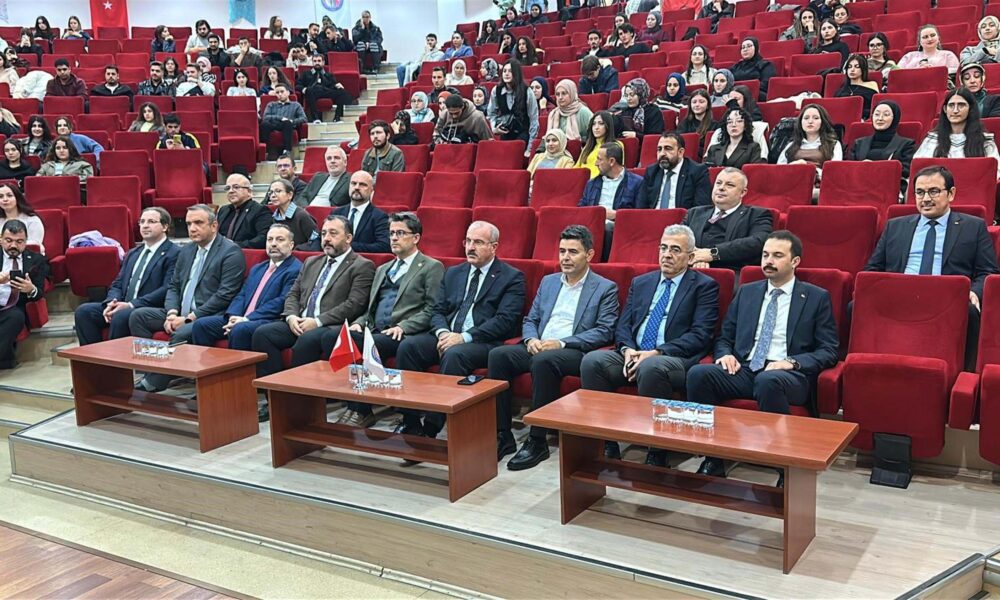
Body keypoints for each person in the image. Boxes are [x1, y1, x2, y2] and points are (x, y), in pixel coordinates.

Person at [687, 230, 839, 482]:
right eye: (765, 255)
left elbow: (829, 350)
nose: (768, 260)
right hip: (746, 368)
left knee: (768, 381)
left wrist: (791, 362)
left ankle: (785, 467)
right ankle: (713, 457)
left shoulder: (815, 297)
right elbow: (724, 337)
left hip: (790, 375)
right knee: (699, 374)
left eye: (777, 255)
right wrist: (725, 355)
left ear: (795, 261)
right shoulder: (747, 292)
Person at [580, 224, 719, 464]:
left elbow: (701, 335)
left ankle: (657, 449)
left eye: (675, 250)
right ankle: (605, 441)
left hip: (673, 357)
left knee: (651, 366)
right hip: (635, 353)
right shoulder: (642, 282)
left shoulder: (704, 286)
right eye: (663, 248)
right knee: (593, 361)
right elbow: (624, 325)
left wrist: (656, 352)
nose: (667, 254)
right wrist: (627, 350)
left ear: (691, 257)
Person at [491, 225, 620, 468]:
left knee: (544, 361)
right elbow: (531, 319)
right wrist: (531, 339)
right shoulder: (549, 282)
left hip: (574, 350)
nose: (565, 258)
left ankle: (537, 440)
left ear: (589, 255)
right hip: (540, 345)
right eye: (562, 251)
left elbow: (604, 330)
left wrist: (561, 343)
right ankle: (502, 434)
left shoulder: (605, 287)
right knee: (499, 355)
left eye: (573, 252)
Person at [395, 221, 526, 440]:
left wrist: (464, 337)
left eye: (478, 242)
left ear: (494, 247)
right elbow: (437, 310)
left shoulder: (512, 277)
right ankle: (410, 421)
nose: (471, 247)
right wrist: (443, 333)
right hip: (448, 335)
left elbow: (505, 321)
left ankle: (432, 426)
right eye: (468, 241)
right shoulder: (454, 273)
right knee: (409, 347)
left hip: (483, 341)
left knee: (455, 354)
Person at [313, 212, 445, 428]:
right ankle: (351, 401)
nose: (394, 238)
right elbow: (370, 308)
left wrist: (404, 326)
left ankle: (361, 410)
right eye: (391, 233)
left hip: (405, 333)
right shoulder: (383, 268)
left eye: (400, 233)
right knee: (335, 337)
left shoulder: (431, 266)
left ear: (416, 238)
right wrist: (360, 322)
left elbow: (433, 308)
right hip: (377, 329)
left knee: (366, 343)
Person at [865, 165, 999, 369]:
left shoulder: (973, 227)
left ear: (951, 193)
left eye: (934, 191)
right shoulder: (895, 226)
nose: (925, 198)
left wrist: (974, 292)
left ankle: (965, 373)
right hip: (900, 294)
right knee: (856, 306)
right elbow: (873, 269)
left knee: (970, 312)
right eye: (920, 192)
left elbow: (988, 272)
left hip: (948, 298)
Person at [131, 205, 246, 392]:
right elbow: (174, 286)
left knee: (182, 333)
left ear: (214, 226)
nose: (192, 228)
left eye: (198, 223)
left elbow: (225, 295)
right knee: (139, 316)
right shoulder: (186, 250)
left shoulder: (230, 252)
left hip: (209, 316)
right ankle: (150, 371)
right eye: (189, 224)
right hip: (181, 312)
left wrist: (189, 318)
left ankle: (155, 381)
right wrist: (171, 313)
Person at [250, 214, 375, 386]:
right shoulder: (311, 262)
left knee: (307, 340)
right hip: (300, 321)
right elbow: (293, 294)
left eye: (333, 233)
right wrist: (291, 317)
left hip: (329, 325)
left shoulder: (362, 265)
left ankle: (299, 393)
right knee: (263, 334)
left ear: (348, 238)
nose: (327, 239)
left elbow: (354, 305)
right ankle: (274, 390)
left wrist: (317, 321)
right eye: (323, 234)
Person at [74, 208, 179, 346]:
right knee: (84, 312)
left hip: (147, 308)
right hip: (123, 304)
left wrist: (131, 305)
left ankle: (115, 359)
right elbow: (118, 283)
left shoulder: (174, 253)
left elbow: (167, 288)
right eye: (142, 222)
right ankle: (93, 358)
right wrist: (112, 302)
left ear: (165, 226)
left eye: (151, 222)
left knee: (121, 316)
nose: (145, 225)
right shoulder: (133, 253)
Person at [191, 223, 302, 352]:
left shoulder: (295, 269)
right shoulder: (258, 268)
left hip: (267, 320)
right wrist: (233, 316)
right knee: (201, 325)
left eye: (280, 239)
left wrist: (247, 319)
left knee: (240, 329)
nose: (273, 244)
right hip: (242, 317)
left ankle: (236, 366)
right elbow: (242, 294)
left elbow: (282, 301)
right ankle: (206, 365)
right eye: (270, 239)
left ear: (291, 245)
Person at [682, 167, 774, 271]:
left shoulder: (757, 215)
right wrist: (696, 257)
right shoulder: (694, 213)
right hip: (691, 270)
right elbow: (676, 239)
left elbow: (758, 242)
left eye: (729, 185)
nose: (721, 188)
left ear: (743, 192)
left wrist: (712, 254)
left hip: (732, 272)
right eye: (718, 183)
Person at [914, 88, 1000, 179]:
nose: (955, 110)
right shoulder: (932, 140)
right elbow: (918, 171)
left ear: (970, 109)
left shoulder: (984, 141)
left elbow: (994, 173)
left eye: (961, 105)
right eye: (951, 105)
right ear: (945, 109)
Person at [0, 219, 49, 370]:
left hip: (14, 307)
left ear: (26, 241)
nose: (13, 246)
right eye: (9, 240)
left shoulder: (36, 260)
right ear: (1, 239)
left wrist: (31, 289)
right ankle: (5, 359)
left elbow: (39, 293)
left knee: (16, 317)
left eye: (19, 241)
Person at [580, 142, 644, 252]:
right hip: (592, 223)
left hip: (619, 226)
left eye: (599, 159)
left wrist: (616, 215)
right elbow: (581, 207)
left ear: (611, 161)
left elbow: (640, 214)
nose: (596, 163)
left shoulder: (637, 183)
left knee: (606, 227)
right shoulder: (591, 183)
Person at [848, 100, 916, 192]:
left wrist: (875, 168)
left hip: (888, 188)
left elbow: (905, 171)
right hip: (858, 187)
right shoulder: (859, 143)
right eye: (876, 114)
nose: (880, 118)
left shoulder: (907, 144)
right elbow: (849, 168)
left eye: (886, 115)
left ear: (895, 118)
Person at [323, 172, 391, 254]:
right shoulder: (337, 213)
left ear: (371, 190)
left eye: (362, 185)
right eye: (353, 183)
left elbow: (384, 246)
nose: (357, 187)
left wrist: (347, 245)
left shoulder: (379, 216)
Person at [641, 132, 712, 210]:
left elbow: (700, 209)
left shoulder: (697, 172)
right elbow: (641, 207)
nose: (662, 154)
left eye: (668, 148)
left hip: (683, 217)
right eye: (659, 149)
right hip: (654, 216)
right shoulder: (651, 172)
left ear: (680, 152)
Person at [776, 104, 843, 183]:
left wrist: (808, 168)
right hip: (792, 184)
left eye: (815, 118)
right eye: (806, 118)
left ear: (823, 121)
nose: (810, 121)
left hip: (819, 185)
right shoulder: (791, 145)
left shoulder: (833, 144)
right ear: (800, 122)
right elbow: (779, 171)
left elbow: (834, 173)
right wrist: (795, 165)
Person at [490, 59, 539, 150]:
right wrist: (494, 128)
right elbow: (491, 113)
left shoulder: (527, 91)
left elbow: (534, 121)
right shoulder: (496, 90)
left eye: (510, 71)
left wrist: (530, 148)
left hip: (523, 134)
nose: (506, 74)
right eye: (504, 71)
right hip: (505, 133)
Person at [216, 174, 272, 250]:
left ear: (249, 191)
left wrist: (234, 245)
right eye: (228, 188)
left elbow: (263, 238)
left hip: (245, 253)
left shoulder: (260, 210)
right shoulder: (223, 210)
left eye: (236, 187)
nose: (231, 191)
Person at [296, 53, 352, 123]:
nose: (317, 63)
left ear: (323, 62)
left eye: (319, 61)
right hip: (313, 92)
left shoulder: (328, 74)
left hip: (326, 91)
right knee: (309, 90)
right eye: (315, 61)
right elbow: (298, 85)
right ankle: (315, 118)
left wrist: (337, 85)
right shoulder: (306, 73)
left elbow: (333, 85)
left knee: (341, 91)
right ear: (312, 62)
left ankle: (337, 118)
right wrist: (304, 89)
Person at [259, 83, 306, 158]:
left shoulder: (296, 105)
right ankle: (266, 150)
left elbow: (303, 118)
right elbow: (266, 117)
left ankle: (287, 150)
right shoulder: (271, 104)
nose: (280, 94)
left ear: (288, 92)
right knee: (264, 124)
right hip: (273, 125)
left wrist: (292, 121)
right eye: (277, 93)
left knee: (287, 123)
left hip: (287, 125)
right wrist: (280, 118)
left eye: (282, 91)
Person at [268, 181, 317, 248]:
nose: (273, 195)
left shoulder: (301, 215)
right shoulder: (274, 217)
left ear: (290, 195)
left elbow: (315, 241)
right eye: (271, 192)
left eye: (278, 191)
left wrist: (298, 249)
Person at [832, 54, 879, 121]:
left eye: (857, 67)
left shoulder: (871, 85)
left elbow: (875, 108)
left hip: (863, 119)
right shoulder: (841, 90)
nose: (852, 70)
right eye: (849, 67)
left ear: (863, 69)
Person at [576, 111, 623, 178]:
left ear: (608, 126)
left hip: (599, 181)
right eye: (594, 124)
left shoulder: (616, 145)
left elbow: (615, 170)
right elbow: (577, 167)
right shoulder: (588, 146)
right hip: (581, 179)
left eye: (601, 123)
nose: (596, 127)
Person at [730, 37, 776, 101]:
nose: (745, 49)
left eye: (749, 46)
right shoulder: (736, 66)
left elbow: (766, 84)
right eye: (743, 47)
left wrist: (745, 90)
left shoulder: (766, 65)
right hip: (736, 94)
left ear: (756, 48)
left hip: (757, 94)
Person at [0, 183, 43, 251]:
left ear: (17, 198)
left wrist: (6, 243)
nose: (5, 199)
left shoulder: (32, 220)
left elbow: (35, 245)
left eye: (9, 195)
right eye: (1, 197)